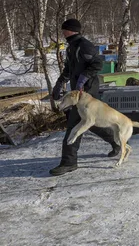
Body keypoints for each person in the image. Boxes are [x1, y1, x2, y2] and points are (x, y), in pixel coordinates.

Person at [49, 19, 120, 176]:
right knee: (91, 123)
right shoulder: (71, 47)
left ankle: (69, 162)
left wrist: (83, 78)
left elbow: (97, 64)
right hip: (78, 92)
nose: (62, 33)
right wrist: (60, 82)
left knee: (74, 125)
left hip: (88, 92)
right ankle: (117, 142)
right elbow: (69, 68)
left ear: (71, 30)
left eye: (64, 30)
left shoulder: (84, 45)